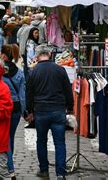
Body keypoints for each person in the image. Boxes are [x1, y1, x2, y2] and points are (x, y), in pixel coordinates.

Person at [26, 45, 73, 179]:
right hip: (58, 109)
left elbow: (29, 93)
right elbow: (67, 90)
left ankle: (44, 170)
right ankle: (60, 173)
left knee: (41, 141)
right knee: (60, 142)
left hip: (41, 110)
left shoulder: (33, 72)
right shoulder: (60, 70)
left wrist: (29, 111)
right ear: (50, 54)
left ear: (37, 56)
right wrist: (70, 107)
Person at [0, 44, 26, 178]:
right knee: (10, 137)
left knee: (6, 139)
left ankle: (10, 169)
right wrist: (23, 111)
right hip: (15, 108)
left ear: (4, 56)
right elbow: (22, 95)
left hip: (4, 107)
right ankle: (8, 163)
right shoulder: (19, 72)